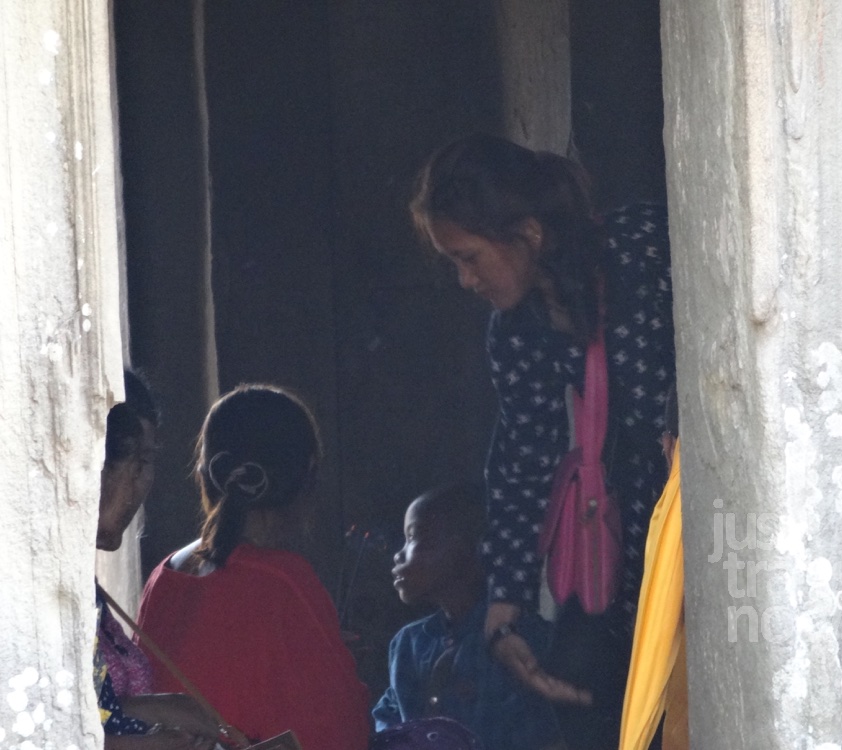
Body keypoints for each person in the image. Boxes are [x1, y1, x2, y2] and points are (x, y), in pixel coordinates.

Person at [410, 134, 676, 749]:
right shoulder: (517, 329)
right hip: (629, 548)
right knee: (578, 681)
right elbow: (523, 459)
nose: (465, 280)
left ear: (528, 234)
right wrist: (505, 604)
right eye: (453, 263)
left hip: (695, 522)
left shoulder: (643, 250)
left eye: (470, 258)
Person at [136, 384, 370, 750]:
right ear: (307, 474)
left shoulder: (164, 576)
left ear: (205, 472)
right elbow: (343, 731)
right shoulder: (284, 581)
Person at [372, 483, 564, 750]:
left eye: (415, 537)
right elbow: (387, 721)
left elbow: (539, 734)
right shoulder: (408, 643)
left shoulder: (523, 640)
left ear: (475, 552)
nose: (398, 555)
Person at [95, 370, 221, 749]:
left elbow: (102, 711)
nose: (142, 481)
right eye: (140, 460)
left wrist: (168, 711)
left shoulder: (90, 596)